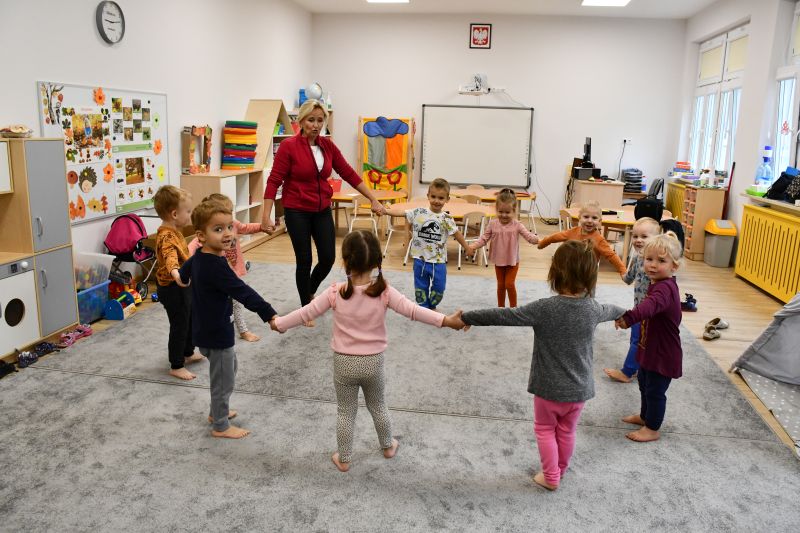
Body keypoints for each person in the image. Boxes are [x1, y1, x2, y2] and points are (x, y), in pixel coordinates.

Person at [271, 230, 465, 471]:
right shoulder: (384, 292)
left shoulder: (335, 292)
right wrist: (446, 320)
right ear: (376, 262)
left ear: (345, 262)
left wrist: (280, 323)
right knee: (378, 405)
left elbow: (306, 313)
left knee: (345, 412)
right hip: (373, 363)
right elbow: (414, 311)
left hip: (344, 364)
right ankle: (388, 446)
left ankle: (344, 459)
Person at [455, 240, 625, 491]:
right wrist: (626, 315)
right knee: (567, 431)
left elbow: (504, 315)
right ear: (591, 277)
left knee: (545, 430)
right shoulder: (593, 308)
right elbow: (612, 309)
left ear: (555, 273)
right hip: (579, 390)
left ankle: (551, 476)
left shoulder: (544, 308)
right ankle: (560, 470)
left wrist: (467, 317)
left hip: (548, 390)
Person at [262, 99, 387, 310]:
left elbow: (348, 173)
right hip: (297, 210)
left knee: (328, 258)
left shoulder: (327, 146)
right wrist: (266, 215)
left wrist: (372, 198)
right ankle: (306, 307)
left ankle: (309, 290)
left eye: (320, 120)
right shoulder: (288, 146)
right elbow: (274, 180)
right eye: (311, 120)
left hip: (321, 210)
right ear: (301, 121)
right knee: (304, 260)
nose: (316, 125)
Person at [179, 199, 278, 439]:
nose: (228, 234)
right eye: (218, 229)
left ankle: (216, 412)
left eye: (230, 227)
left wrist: (182, 277)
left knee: (228, 369)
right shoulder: (216, 266)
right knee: (223, 380)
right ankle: (220, 426)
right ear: (201, 236)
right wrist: (268, 313)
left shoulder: (200, 256)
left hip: (206, 329)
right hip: (216, 333)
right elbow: (243, 292)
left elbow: (184, 273)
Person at [615, 232, 683, 443]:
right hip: (650, 349)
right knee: (644, 383)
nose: (653, 265)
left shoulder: (664, 289)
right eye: (649, 259)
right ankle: (645, 416)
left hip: (663, 353)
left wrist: (629, 318)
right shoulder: (657, 283)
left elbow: (649, 306)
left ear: (674, 266)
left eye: (661, 261)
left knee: (654, 391)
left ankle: (652, 428)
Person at [188, 193, 268, 342]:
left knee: (237, 303)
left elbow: (245, 228)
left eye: (230, 213)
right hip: (215, 280)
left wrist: (262, 227)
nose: (228, 229)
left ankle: (243, 331)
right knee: (216, 307)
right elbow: (191, 251)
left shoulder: (233, 224)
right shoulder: (204, 239)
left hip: (232, 274)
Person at [153, 185, 202, 381]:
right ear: (174, 214)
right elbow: (169, 257)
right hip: (173, 287)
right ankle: (176, 364)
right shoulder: (166, 236)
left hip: (182, 284)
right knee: (179, 324)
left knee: (190, 316)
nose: (190, 215)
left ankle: (188, 351)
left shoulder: (174, 231)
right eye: (188, 211)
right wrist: (176, 274)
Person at [603, 217, 661, 383]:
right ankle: (637, 366)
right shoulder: (637, 257)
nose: (638, 240)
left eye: (644, 236)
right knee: (636, 339)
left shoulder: (657, 262)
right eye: (635, 236)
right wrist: (620, 269)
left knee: (638, 341)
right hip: (638, 308)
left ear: (657, 239)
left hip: (650, 311)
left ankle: (627, 372)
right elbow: (629, 278)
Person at [466, 188, 539, 307]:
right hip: (499, 261)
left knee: (509, 284)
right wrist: (473, 246)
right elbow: (484, 238)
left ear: (514, 211)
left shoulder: (517, 225)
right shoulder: (492, 224)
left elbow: (528, 236)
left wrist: (537, 240)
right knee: (500, 285)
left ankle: (513, 309)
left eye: (507, 212)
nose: (504, 215)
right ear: (496, 210)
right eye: (500, 212)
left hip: (512, 261)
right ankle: (501, 308)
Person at [406, 178, 471, 309]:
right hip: (420, 259)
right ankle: (424, 309)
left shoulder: (446, 219)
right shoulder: (420, 212)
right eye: (433, 196)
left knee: (439, 288)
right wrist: (384, 210)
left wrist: (466, 246)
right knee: (420, 288)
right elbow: (402, 214)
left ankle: (432, 305)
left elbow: (457, 233)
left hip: (438, 260)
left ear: (447, 199)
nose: (436, 200)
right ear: (428, 196)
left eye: (441, 198)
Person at [537, 200, 627, 277]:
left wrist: (622, 270)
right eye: (586, 217)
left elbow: (611, 255)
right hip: (569, 271)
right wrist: (543, 243)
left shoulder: (599, 239)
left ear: (599, 221)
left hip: (588, 275)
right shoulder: (572, 232)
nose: (590, 221)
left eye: (594, 218)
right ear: (579, 218)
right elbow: (554, 237)